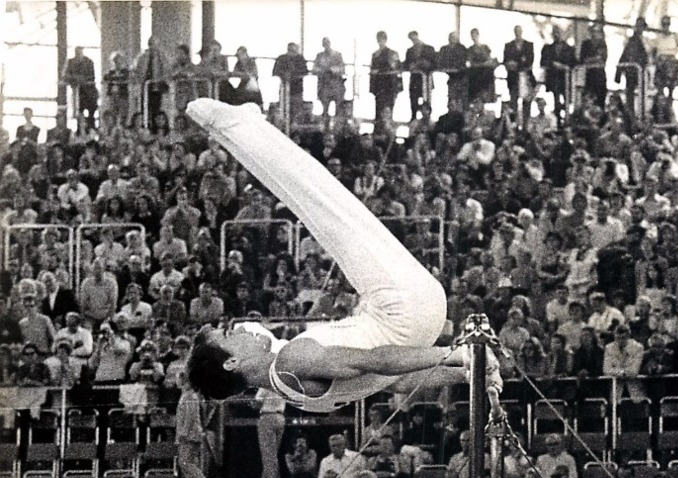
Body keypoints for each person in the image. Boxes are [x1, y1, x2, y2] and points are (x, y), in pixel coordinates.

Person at [184, 99, 493, 415]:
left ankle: (241, 127)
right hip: (402, 307)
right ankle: (229, 123)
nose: (237, 328)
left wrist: (471, 373)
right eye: (227, 334)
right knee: (321, 201)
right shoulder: (292, 361)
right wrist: (459, 353)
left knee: (312, 204)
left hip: (415, 323)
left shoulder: (293, 391)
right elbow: (378, 360)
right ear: (231, 361)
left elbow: (395, 381)